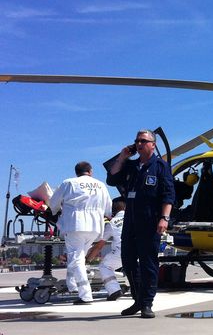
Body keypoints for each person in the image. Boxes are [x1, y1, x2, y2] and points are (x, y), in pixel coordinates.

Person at [107, 129, 175, 319]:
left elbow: (168, 195)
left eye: (143, 141)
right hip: (131, 221)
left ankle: (147, 303)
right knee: (127, 261)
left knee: (148, 264)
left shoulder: (161, 167)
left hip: (150, 221)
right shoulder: (130, 166)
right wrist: (122, 157)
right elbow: (112, 179)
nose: (139, 144)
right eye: (137, 141)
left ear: (153, 144)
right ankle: (137, 299)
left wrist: (165, 218)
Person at [49, 161, 112, 305]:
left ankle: (85, 294)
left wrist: (55, 210)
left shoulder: (69, 183)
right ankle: (71, 284)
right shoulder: (100, 184)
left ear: (76, 172)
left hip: (75, 224)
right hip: (95, 226)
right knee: (79, 257)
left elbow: (54, 203)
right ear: (90, 171)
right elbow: (108, 207)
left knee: (76, 258)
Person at [86, 197, 126, 301]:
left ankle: (114, 290)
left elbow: (99, 246)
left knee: (105, 266)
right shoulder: (136, 218)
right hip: (139, 250)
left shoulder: (113, 223)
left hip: (122, 252)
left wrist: (88, 259)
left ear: (113, 210)